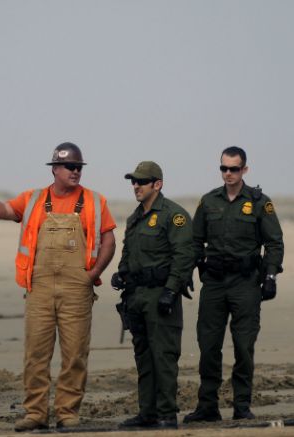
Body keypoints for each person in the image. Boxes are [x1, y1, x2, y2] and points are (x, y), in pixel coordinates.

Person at [0, 142, 116, 432]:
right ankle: (35, 413)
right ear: (55, 169)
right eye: (70, 167)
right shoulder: (33, 199)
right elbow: (5, 210)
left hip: (77, 288)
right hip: (38, 288)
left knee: (75, 353)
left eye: (79, 167)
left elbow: (109, 241)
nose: (76, 172)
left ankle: (67, 413)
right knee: (36, 354)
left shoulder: (95, 201)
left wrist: (93, 274)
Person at [183, 146, 284, 422]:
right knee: (208, 346)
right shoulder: (208, 201)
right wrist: (187, 271)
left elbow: (274, 243)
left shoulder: (260, 202)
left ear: (244, 170)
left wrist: (271, 276)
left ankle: (242, 405)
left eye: (234, 169)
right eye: (224, 168)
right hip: (214, 283)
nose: (228, 173)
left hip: (245, 283)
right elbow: (195, 241)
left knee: (243, 346)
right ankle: (207, 406)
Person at [112, 161, 195, 430]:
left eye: (141, 181)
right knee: (144, 357)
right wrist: (121, 274)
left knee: (164, 356)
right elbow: (128, 253)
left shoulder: (174, 215)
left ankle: (167, 414)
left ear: (157, 184)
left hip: (161, 295)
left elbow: (184, 256)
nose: (136, 186)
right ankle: (147, 413)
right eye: (133, 182)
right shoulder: (134, 218)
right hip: (137, 296)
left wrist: (171, 290)